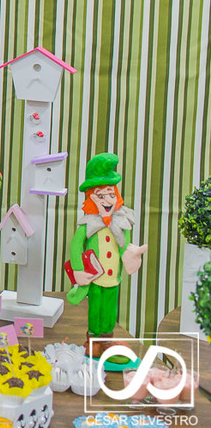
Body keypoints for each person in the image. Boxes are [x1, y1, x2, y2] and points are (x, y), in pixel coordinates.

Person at [65, 153, 147, 357]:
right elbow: (76, 247)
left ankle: (107, 341)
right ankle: (92, 340)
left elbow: (124, 245)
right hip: (94, 278)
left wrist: (132, 253)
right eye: (101, 195)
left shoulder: (122, 221)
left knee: (111, 309)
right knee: (95, 308)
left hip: (113, 278)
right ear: (91, 197)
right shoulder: (87, 224)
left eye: (111, 194)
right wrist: (78, 270)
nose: (107, 200)